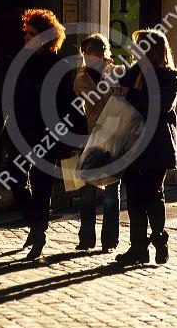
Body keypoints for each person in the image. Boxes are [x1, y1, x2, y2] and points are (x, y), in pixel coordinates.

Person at [7, 8, 85, 260]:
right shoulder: (20, 62)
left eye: (32, 34)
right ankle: (35, 223)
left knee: (41, 186)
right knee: (14, 178)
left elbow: (67, 103)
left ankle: (39, 234)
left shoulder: (58, 65)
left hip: (45, 136)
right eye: (25, 33)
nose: (26, 38)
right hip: (21, 132)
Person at [115, 29, 177, 266]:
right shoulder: (135, 72)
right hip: (132, 144)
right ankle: (138, 248)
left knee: (154, 195)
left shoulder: (169, 77)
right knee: (134, 198)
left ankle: (159, 241)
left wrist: (130, 94)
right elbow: (116, 89)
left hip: (156, 146)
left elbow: (160, 106)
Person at [74, 33, 121, 253]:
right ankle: (86, 239)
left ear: (103, 52)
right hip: (90, 138)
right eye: (85, 52)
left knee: (112, 192)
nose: (87, 56)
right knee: (87, 192)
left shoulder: (117, 72)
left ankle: (110, 241)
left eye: (91, 51)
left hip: (113, 138)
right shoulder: (81, 78)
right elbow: (89, 107)